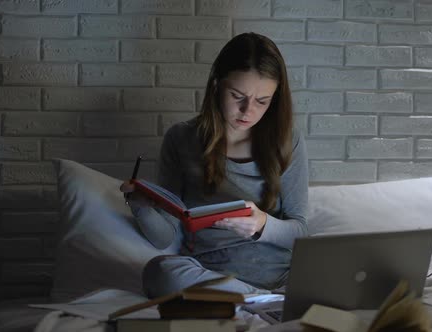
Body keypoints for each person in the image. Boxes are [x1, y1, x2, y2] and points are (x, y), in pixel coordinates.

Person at [120, 32, 308, 298]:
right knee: (160, 271)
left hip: (280, 275)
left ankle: (255, 299)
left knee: (346, 267)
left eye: (262, 101)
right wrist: (140, 206)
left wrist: (262, 224)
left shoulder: (288, 140)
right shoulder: (181, 139)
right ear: (217, 85)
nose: (248, 110)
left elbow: (301, 230)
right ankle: (260, 300)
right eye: (237, 96)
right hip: (211, 274)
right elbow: (164, 238)